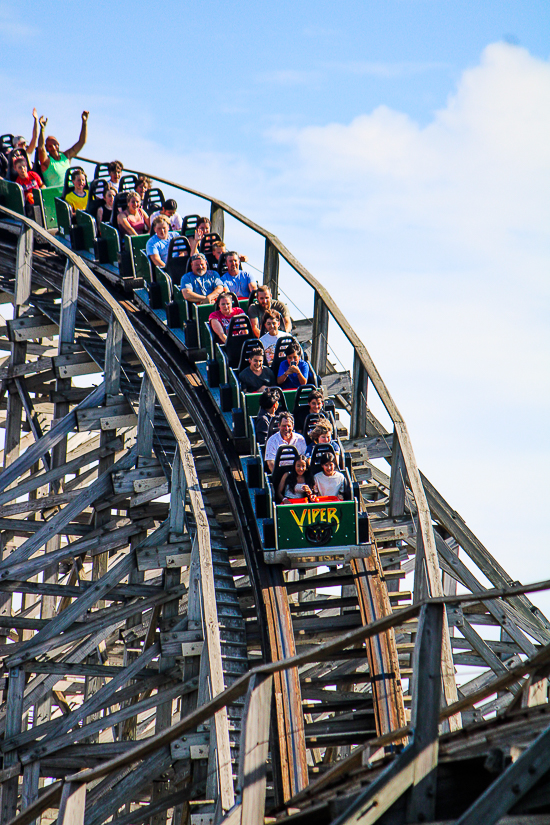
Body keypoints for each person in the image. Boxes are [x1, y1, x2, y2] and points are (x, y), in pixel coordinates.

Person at [37, 111, 89, 188]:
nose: (53, 148)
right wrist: (42, 129)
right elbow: (41, 148)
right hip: (55, 196)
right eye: (50, 146)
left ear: (58, 145)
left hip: (69, 194)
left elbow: (82, 142)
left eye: (55, 145)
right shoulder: (46, 162)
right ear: (47, 148)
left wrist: (84, 122)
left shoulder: (66, 156)